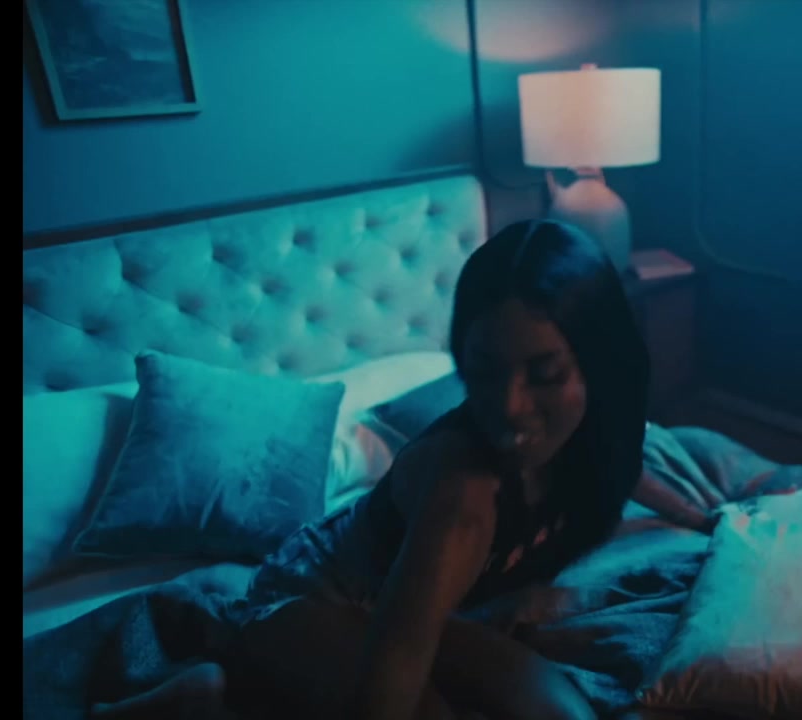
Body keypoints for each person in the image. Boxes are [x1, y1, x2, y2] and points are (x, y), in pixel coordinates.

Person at [89, 219, 652, 720]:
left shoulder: (600, 435)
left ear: (597, 364)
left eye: (545, 374)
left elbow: (623, 468)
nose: (509, 406)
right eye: (484, 370)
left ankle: (220, 695)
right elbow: (389, 687)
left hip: (408, 609)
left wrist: (697, 513)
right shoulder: (464, 495)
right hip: (302, 601)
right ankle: (217, 684)